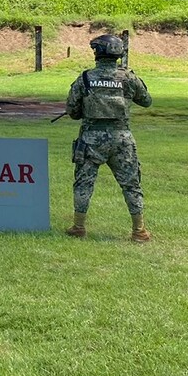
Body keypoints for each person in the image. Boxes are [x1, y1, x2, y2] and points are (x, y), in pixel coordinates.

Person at [64, 34, 153, 242]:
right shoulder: (129, 78)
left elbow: (72, 110)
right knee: (131, 184)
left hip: (91, 139)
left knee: (84, 183)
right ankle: (139, 231)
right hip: (122, 138)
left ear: (97, 53)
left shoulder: (85, 78)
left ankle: (78, 227)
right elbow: (147, 101)